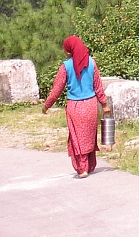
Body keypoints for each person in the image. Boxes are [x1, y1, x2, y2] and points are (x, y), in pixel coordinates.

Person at [42, 35, 111, 178]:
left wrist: (47, 105)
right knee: (89, 136)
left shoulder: (65, 67)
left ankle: (82, 168)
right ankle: (90, 165)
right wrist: (104, 104)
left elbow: (57, 89)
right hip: (91, 105)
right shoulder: (92, 63)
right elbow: (98, 87)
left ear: (69, 50)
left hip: (75, 107)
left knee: (77, 139)